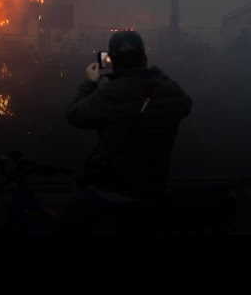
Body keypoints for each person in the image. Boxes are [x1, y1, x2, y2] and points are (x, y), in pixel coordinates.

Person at [56, 30, 193, 234]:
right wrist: (153, 72)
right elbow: (186, 103)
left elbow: (74, 114)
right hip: (154, 187)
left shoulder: (112, 93)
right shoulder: (168, 91)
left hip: (115, 189)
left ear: (113, 60)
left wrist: (90, 82)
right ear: (143, 57)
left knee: (62, 224)